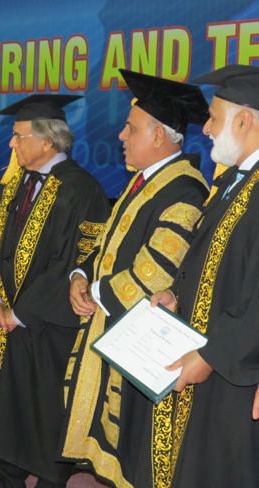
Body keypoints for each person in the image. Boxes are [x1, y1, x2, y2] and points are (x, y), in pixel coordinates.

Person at [59, 70, 210, 487]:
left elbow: (156, 270)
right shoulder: (145, 181)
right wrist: (79, 275)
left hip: (143, 340)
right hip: (114, 322)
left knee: (135, 452)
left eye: (131, 128)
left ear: (158, 136)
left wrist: (95, 291)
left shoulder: (186, 190)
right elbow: (105, 242)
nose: (121, 136)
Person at [0, 95, 111, 488]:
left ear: (47, 141)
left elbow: (76, 262)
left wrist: (19, 313)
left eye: (19, 137)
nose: (11, 144)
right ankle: (8, 480)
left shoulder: (81, 189)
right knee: (8, 409)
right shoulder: (9, 185)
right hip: (5, 325)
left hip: (50, 329)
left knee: (49, 411)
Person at [148, 64, 259, 488]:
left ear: (244, 121)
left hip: (236, 371)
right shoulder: (234, 181)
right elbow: (213, 262)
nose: (206, 129)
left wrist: (212, 354)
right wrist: (177, 294)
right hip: (210, 351)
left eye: (213, 118)